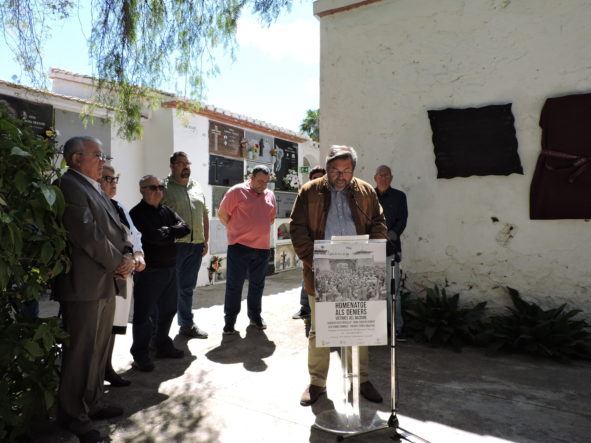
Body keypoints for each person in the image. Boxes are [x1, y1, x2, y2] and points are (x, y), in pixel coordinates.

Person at [290, 145, 387, 407]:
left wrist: (374, 251)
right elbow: (297, 228)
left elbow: (379, 222)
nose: (340, 176)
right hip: (320, 270)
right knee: (320, 329)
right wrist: (313, 260)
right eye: (334, 170)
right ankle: (317, 382)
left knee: (359, 327)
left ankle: (361, 379)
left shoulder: (366, 191)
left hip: (360, 270)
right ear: (327, 168)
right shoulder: (309, 191)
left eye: (346, 170)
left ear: (353, 169)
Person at [54, 136, 134, 441]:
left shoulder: (92, 186)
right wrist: (119, 261)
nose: (103, 161)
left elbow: (116, 228)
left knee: (98, 350)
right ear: (76, 159)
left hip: (104, 281)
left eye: (103, 155)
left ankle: (93, 402)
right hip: (84, 285)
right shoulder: (69, 185)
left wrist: (127, 254)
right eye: (97, 155)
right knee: (80, 352)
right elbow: (87, 233)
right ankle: (73, 415)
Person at [129, 175, 190, 372]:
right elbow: (152, 237)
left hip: (170, 268)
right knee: (144, 315)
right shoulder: (136, 213)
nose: (158, 191)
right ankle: (140, 354)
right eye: (153, 187)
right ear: (142, 190)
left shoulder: (166, 211)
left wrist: (167, 231)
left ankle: (162, 344)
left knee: (168, 310)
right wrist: (172, 231)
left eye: (160, 187)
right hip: (149, 271)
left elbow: (185, 228)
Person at [98, 165, 146, 387]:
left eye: (114, 178)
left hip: (124, 275)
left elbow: (134, 235)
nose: (113, 183)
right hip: (105, 275)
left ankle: (107, 369)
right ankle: (93, 376)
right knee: (99, 329)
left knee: (114, 326)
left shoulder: (119, 207)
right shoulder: (94, 205)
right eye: (107, 178)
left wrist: (137, 254)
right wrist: (120, 261)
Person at [217, 165, 277, 335]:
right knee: (234, 286)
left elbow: (271, 219)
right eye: (259, 181)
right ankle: (230, 322)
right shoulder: (237, 191)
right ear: (251, 178)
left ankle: (255, 316)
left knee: (257, 285)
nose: (263, 185)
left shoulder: (270, 195)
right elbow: (222, 214)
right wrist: (236, 231)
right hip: (239, 247)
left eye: (266, 182)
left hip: (262, 248)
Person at [162, 152, 209, 339]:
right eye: (181, 163)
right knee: (169, 290)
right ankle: (160, 333)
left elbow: (204, 213)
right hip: (175, 246)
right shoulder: (164, 187)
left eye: (187, 163)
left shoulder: (196, 186)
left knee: (187, 288)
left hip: (196, 245)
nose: (186, 166)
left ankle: (186, 325)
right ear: (172, 166)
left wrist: (205, 240)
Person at [374, 165, 408, 340]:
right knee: (373, 292)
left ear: (391, 178)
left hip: (391, 250)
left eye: (387, 175)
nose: (384, 178)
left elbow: (402, 220)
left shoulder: (399, 196)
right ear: (375, 178)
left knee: (392, 292)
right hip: (371, 251)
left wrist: (391, 234)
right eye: (381, 175)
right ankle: (376, 328)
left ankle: (396, 327)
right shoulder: (368, 196)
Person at [292, 166, 326, 326]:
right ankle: (305, 308)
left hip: (327, 247)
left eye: (320, 178)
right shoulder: (304, 196)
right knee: (307, 279)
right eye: (314, 178)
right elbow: (298, 224)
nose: (317, 181)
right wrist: (306, 248)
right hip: (309, 247)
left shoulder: (332, 196)